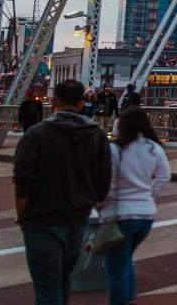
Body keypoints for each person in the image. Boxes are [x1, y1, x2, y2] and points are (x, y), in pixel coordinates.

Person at [13, 79, 112, 304]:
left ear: (53, 102)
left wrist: (23, 219)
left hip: (41, 221)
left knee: (46, 288)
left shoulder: (36, 135)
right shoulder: (97, 135)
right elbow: (103, 183)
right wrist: (89, 202)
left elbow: (22, 184)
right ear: (80, 103)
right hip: (78, 219)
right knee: (64, 281)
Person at [100, 108, 171, 305]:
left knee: (115, 271)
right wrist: (149, 195)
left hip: (120, 215)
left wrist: (103, 201)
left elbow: (108, 182)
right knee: (125, 261)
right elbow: (164, 176)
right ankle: (130, 299)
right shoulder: (154, 147)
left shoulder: (115, 149)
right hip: (145, 216)